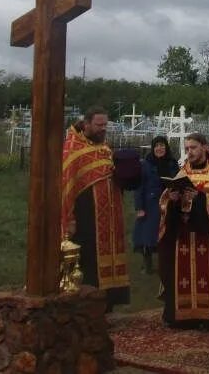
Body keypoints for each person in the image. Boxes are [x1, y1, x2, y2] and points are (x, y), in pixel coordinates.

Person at [158, 133, 209, 330]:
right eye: (186, 149)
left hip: (208, 235)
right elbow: (165, 203)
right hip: (183, 234)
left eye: (193, 148)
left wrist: (201, 198)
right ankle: (184, 316)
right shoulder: (182, 173)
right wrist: (174, 198)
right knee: (182, 273)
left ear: (205, 147)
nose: (189, 152)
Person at [61, 106, 131, 308]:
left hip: (110, 215)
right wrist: (69, 219)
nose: (103, 128)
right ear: (87, 124)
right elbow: (65, 186)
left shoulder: (104, 148)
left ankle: (108, 302)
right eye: (99, 125)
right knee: (89, 260)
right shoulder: (72, 149)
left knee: (108, 254)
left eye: (105, 125)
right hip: (86, 217)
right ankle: (89, 305)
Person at [133, 135, 178, 274]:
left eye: (162, 145)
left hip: (169, 203)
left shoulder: (172, 163)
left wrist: (176, 193)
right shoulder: (146, 164)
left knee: (167, 235)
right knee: (148, 235)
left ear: (166, 147)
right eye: (157, 146)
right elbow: (139, 186)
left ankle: (167, 265)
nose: (159, 148)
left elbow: (178, 181)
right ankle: (147, 265)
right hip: (150, 204)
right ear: (153, 148)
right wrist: (139, 207)